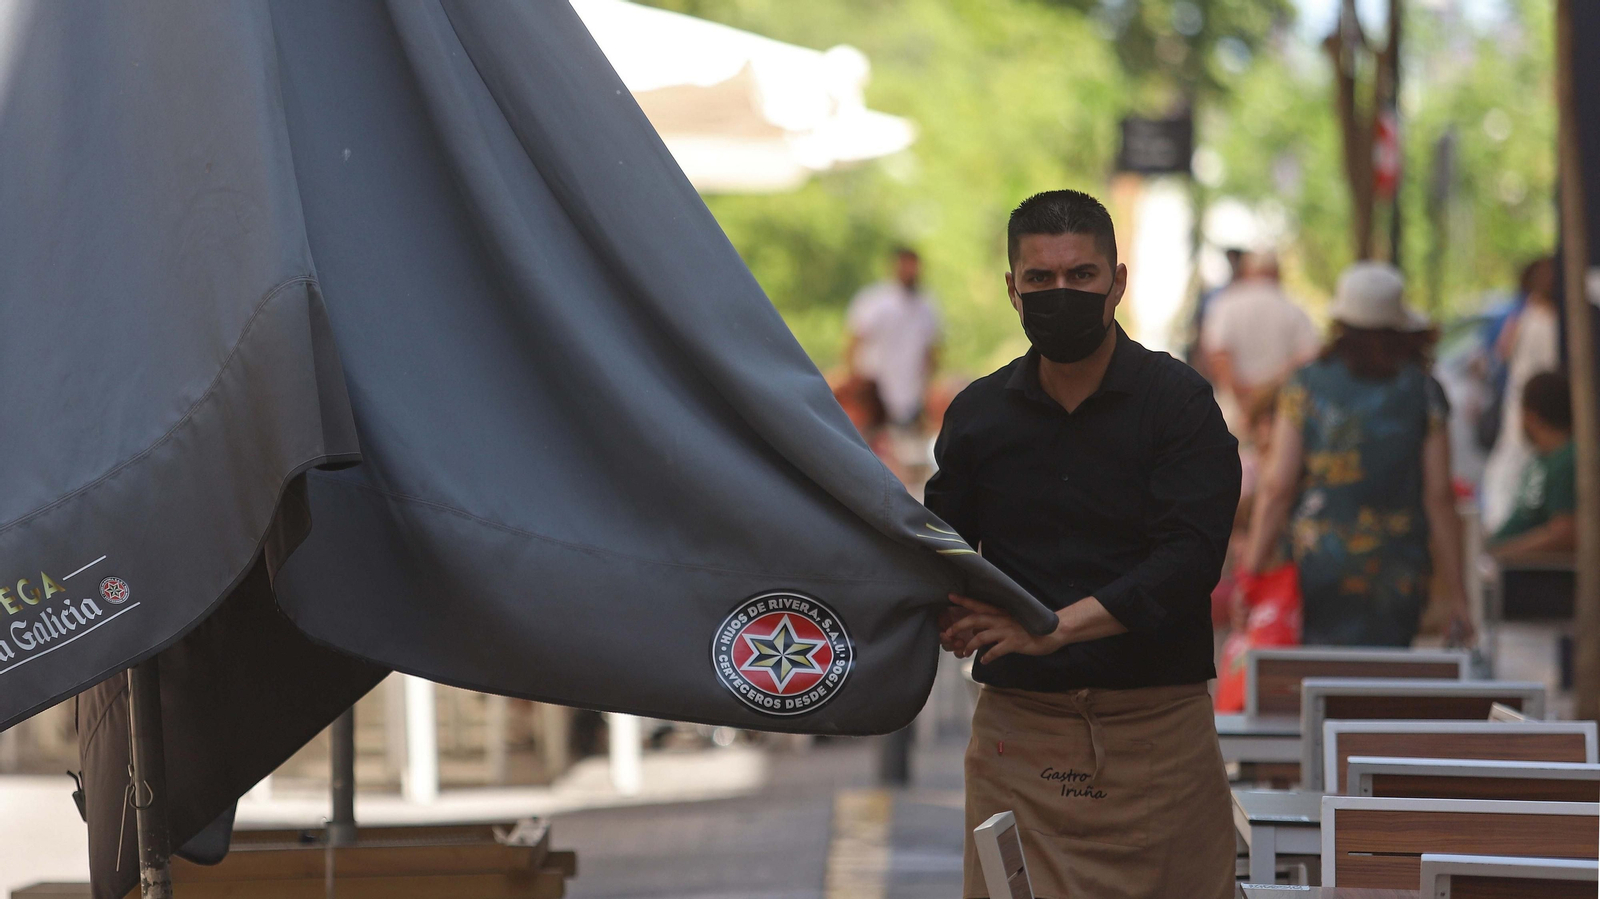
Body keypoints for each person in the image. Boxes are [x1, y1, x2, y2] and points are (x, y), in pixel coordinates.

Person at [928, 190, 1239, 898]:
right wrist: (944, 612)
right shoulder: (978, 415)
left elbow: (1187, 563)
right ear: (1013, 289)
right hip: (1020, 741)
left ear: (1116, 282)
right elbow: (940, 552)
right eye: (1040, 279)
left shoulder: (1179, 404)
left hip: (1157, 736)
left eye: (1081, 276)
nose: (1059, 293)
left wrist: (1051, 628)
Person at [1240, 262, 1473, 647]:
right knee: (1380, 688)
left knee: (1315, 686)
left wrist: (1250, 575)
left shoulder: (1305, 386)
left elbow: (1277, 487)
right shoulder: (1425, 392)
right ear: (1399, 328)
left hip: (1315, 566)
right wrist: (1460, 597)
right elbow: (1439, 497)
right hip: (1397, 570)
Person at [1481, 257, 1561, 532]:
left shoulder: (1524, 319)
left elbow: (1499, 355)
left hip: (1524, 410)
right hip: (1536, 412)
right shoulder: (1546, 323)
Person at [1201, 251, 1321, 412]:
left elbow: (1218, 356)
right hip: (1278, 411)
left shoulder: (1225, 305)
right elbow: (1307, 359)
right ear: (1277, 272)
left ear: (1246, 270)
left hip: (1233, 411)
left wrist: (1243, 399)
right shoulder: (1294, 309)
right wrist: (1267, 394)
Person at [843, 247, 942, 429]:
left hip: (910, 395)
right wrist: (855, 384)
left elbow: (932, 350)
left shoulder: (927, 305)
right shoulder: (874, 300)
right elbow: (854, 342)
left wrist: (927, 387)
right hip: (874, 393)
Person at [1490, 371, 1576, 559]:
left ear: (1531, 416)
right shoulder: (1543, 458)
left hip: (1537, 579)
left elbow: (1565, 532)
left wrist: (1500, 553)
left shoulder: (1568, 459)